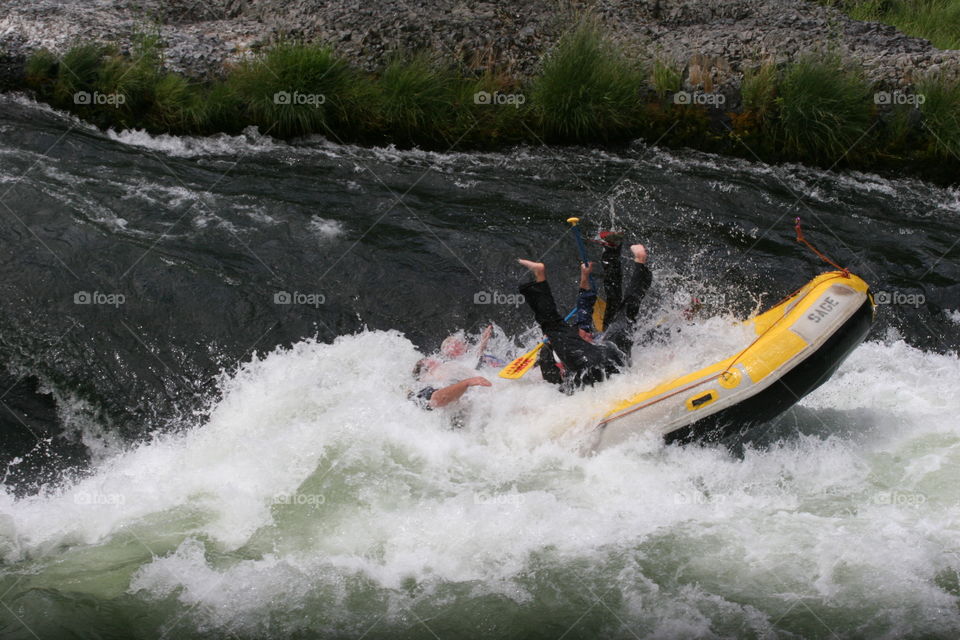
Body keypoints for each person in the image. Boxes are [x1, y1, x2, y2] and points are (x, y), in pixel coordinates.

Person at [520, 234, 652, 391]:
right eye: (586, 335)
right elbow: (583, 307)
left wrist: (585, 276)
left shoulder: (575, 342)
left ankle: (540, 275)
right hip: (613, 355)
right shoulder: (577, 338)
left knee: (553, 325)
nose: (589, 335)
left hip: (595, 363)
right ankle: (640, 260)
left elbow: (581, 307)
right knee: (627, 310)